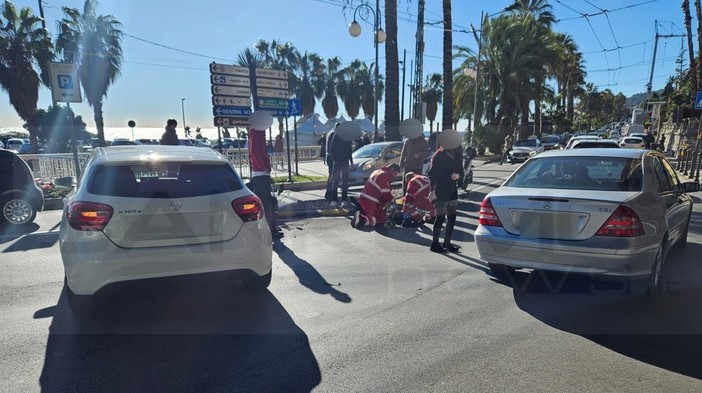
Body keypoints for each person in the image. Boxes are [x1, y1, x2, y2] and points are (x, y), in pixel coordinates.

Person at [428, 141, 464, 253]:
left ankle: (447, 243)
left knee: (452, 216)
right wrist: (432, 190)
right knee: (440, 217)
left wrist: (458, 176)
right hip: (441, 189)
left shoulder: (458, 155)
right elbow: (432, 174)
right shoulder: (439, 156)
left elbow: (461, 172)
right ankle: (435, 243)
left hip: (452, 190)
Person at [248, 126, 283, 239]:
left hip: (261, 173)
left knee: (267, 203)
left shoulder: (256, 135)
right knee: (267, 204)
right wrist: (264, 167)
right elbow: (256, 153)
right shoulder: (256, 135)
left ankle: (270, 229)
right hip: (261, 173)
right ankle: (269, 230)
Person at [351, 164, 402, 228]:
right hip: (370, 200)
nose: (394, 176)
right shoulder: (385, 175)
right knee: (374, 221)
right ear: (392, 169)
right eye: (395, 173)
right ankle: (361, 218)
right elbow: (386, 194)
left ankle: (363, 215)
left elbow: (381, 191)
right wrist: (393, 202)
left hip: (369, 199)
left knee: (382, 219)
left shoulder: (378, 171)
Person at [328, 124, 354, 207]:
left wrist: (351, 162)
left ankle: (344, 200)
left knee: (345, 182)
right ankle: (334, 200)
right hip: (337, 162)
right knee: (336, 181)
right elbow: (331, 148)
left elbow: (349, 150)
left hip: (345, 161)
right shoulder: (336, 136)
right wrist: (335, 159)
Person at [323, 124, 339, 201]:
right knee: (332, 175)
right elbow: (333, 147)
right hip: (332, 157)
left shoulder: (330, 132)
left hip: (329, 156)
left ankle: (329, 192)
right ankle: (329, 192)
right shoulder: (334, 134)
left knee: (331, 175)